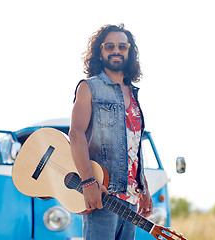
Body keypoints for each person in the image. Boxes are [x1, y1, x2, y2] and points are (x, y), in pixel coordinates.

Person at [69, 24, 153, 240]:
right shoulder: (89, 88)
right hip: (103, 194)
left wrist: (143, 188)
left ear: (129, 51)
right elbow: (76, 134)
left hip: (131, 199)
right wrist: (87, 182)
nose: (116, 50)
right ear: (101, 51)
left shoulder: (133, 94)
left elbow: (133, 145)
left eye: (122, 46)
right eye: (110, 46)